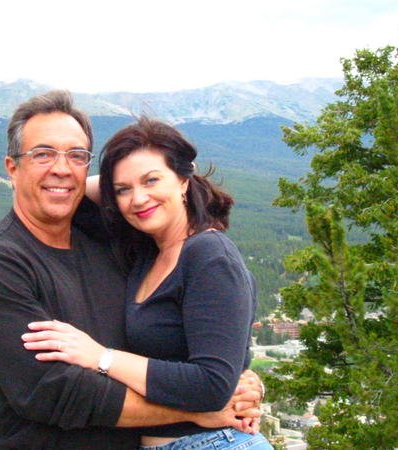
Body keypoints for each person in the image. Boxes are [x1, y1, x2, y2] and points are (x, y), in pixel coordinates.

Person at [0, 91, 263, 449]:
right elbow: (58, 393)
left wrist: (238, 380)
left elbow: (201, 336)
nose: (61, 168)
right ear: (12, 168)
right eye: (43, 154)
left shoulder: (109, 242)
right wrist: (195, 411)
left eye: (77, 156)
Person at [21, 117, 272, 449]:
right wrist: (117, 179)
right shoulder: (146, 252)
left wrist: (101, 357)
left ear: (184, 180)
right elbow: (70, 194)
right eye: (123, 190)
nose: (138, 199)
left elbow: (213, 385)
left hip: (216, 442)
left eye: (152, 180)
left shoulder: (209, 256)